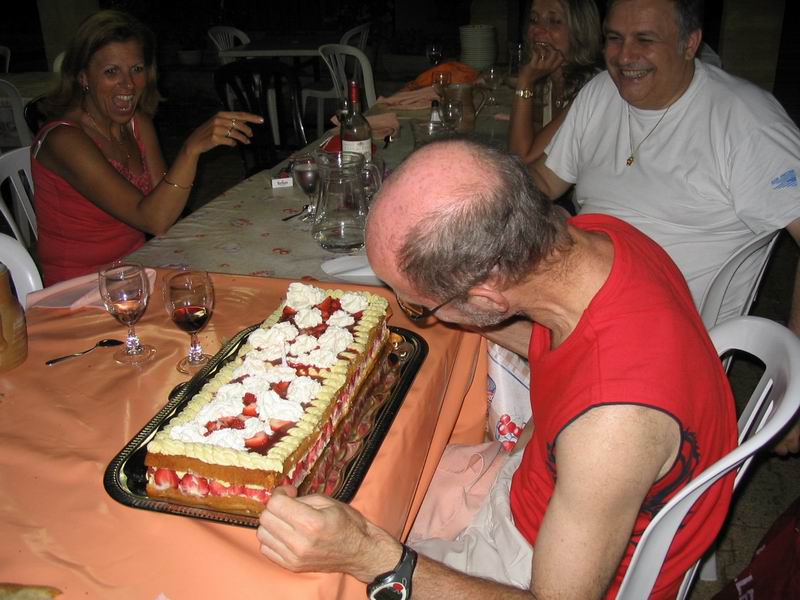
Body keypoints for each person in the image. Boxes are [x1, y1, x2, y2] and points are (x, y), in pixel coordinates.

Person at [256, 139, 737, 599]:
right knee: (361, 474)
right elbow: (570, 352)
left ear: (486, 299)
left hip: (536, 565)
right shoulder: (599, 238)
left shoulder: (611, 426)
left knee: (297, 574)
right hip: (538, 481)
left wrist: (370, 556)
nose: (418, 314)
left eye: (419, 307)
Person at [530, 0, 800, 454]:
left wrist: (794, 377)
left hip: (661, 346)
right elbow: (544, 180)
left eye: (645, 40)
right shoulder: (601, 93)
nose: (624, 56)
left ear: (690, 43)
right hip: (570, 303)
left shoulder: (744, 119)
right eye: (614, 39)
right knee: (459, 307)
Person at [31, 10, 263, 285]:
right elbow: (154, 220)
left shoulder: (137, 123)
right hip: (80, 288)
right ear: (83, 77)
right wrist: (190, 150)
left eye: (137, 69)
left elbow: (167, 209)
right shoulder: (64, 140)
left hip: (139, 268)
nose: (128, 84)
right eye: (111, 71)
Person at [507, 0, 601, 166]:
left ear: (580, 31)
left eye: (554, 21)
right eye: (534, 20)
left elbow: (520, 159)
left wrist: (525, 81)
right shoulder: (549, 81)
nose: (537, 30)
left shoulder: (593, 89)